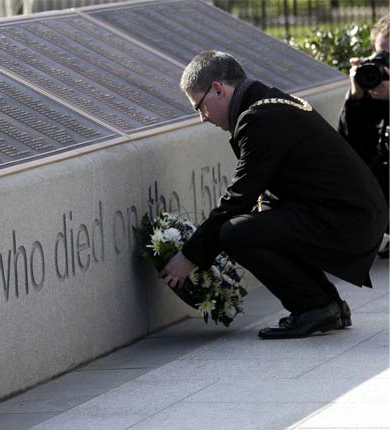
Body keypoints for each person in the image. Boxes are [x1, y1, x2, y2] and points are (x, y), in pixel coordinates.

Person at [160, 51, 388, 339]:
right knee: (261, 220)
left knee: (235, 232)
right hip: (353, 215)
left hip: (348, 221)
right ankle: (328, 306)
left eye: (199, 107)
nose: (203, 118)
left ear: (217, 89)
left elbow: (238, 198)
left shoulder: (259, 118)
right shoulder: (267, 103)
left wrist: (190, 256)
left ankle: (314, 306)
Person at [338, 15, 389, 258]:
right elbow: (348, 145)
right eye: (380, 55)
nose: (383, 64)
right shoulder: (373, 87)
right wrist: (356, 96)